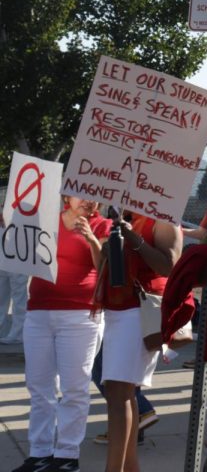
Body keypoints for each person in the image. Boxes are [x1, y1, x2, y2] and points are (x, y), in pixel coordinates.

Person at [12, 197, 109, 472]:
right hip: (39, 312)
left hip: (81, 315)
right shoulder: (45, 221)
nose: (90, 201)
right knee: (39, 385)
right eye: (83, 192)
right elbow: (21, 250)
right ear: (68, 194)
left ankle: (67, 455)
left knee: (74, 388)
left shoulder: (103, 224)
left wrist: (91, 238)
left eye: (96, 195)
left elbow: (104, 267)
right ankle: (40, 452)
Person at [95, 211, 182, 472]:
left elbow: (169, 265)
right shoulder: (120, 215)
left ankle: (114, 469)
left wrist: (134, 239)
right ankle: (130, 467)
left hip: (140, 311)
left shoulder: (163, 217)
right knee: (123, 391)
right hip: (115, 309)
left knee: (118, 391)